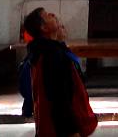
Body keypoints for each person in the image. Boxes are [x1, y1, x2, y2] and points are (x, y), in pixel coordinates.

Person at [23, 7, 97, 137]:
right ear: (44, 28)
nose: (53, 14)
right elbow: (58, 95)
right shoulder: (52, 54)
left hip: (52, 124)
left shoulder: (45, 50)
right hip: (61, 126)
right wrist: (71, 129)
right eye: (47, 16)